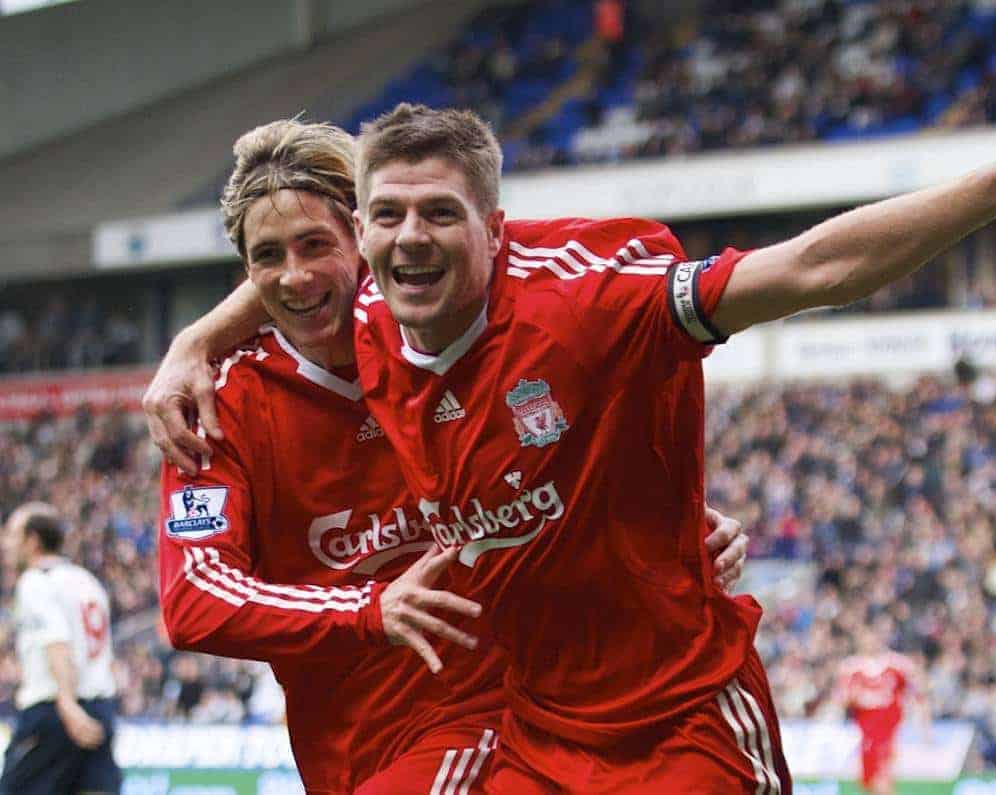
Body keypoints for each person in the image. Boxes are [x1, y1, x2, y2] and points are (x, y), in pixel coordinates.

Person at [148, 87, 996, 793]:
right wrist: (192, 340)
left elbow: (815, 267)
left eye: (438, 216)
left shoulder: (589, 306)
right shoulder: (339, 329)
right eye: (387, 219)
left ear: (495, 228)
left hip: (675, 716)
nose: (407, 239)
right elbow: (302, 275)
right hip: (538, 735)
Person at [154, 119, 750, 794]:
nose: (296, 276)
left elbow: (576, 411)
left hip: (490, 714)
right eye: (269, 257)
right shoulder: (220, 400)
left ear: (361, 236)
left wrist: (671, 510)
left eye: (318, 245)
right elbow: (193, 598)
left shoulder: (456, 334)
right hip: (344, 742)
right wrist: (369, 611)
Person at [0, 502, 121, 795]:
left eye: (12, 535)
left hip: (56, 710)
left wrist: (67, 704)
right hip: (100, 706)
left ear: (33, 541)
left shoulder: (36, 581)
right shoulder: (87, 581)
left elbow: (58, 643)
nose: (6, 544)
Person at [835, 624, 927, 795]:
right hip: (865, 731)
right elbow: (842, 699)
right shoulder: (851, 667)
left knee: (885, 777)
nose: (870, 642)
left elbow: (918, 692)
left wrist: (922, 724)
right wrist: (857, 698)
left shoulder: (898, 664)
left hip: (891, 730)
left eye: (873, 637)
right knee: (869, 782)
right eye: (865, 637)